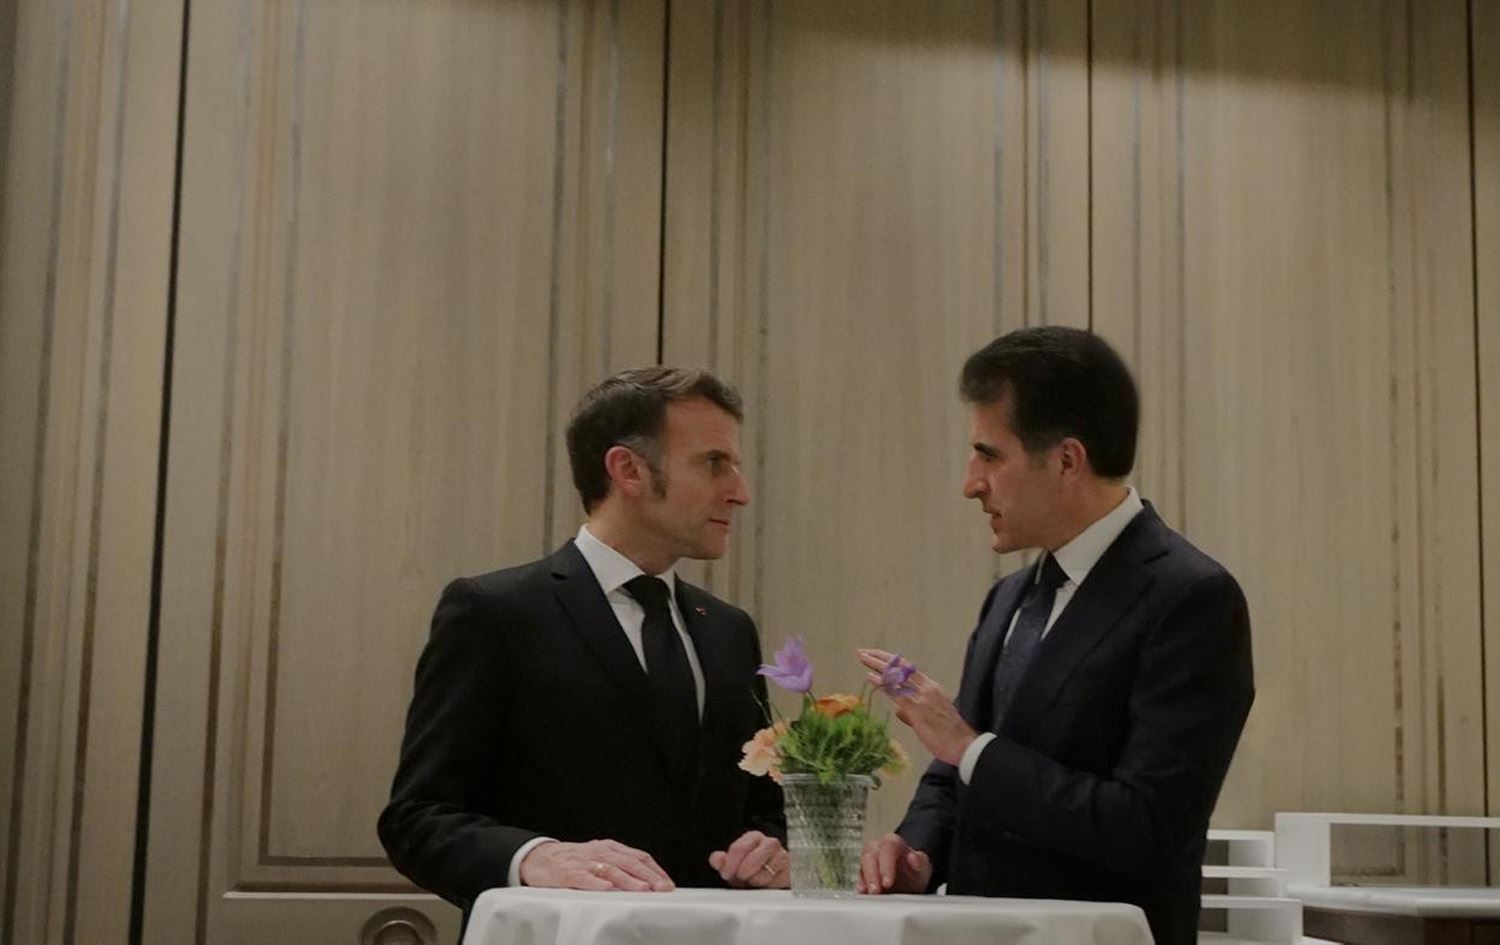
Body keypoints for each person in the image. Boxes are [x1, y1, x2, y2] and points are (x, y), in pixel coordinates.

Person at [856, 326, 1254, 945]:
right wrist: (918, 851)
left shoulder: (1192, 598)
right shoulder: (1009, 596)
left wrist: (971, 748)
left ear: (1067, 460)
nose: (970, 483)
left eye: (989, 455)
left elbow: (1145, 825)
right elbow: (952, 776)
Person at [379, 367, 788, 928]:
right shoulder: (495, 612)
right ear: (628, 470)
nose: (740, 492)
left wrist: (770, 847)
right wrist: (535, 857)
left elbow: (761, 810)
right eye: (714, 463)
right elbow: (416, 818)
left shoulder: (729, 631)